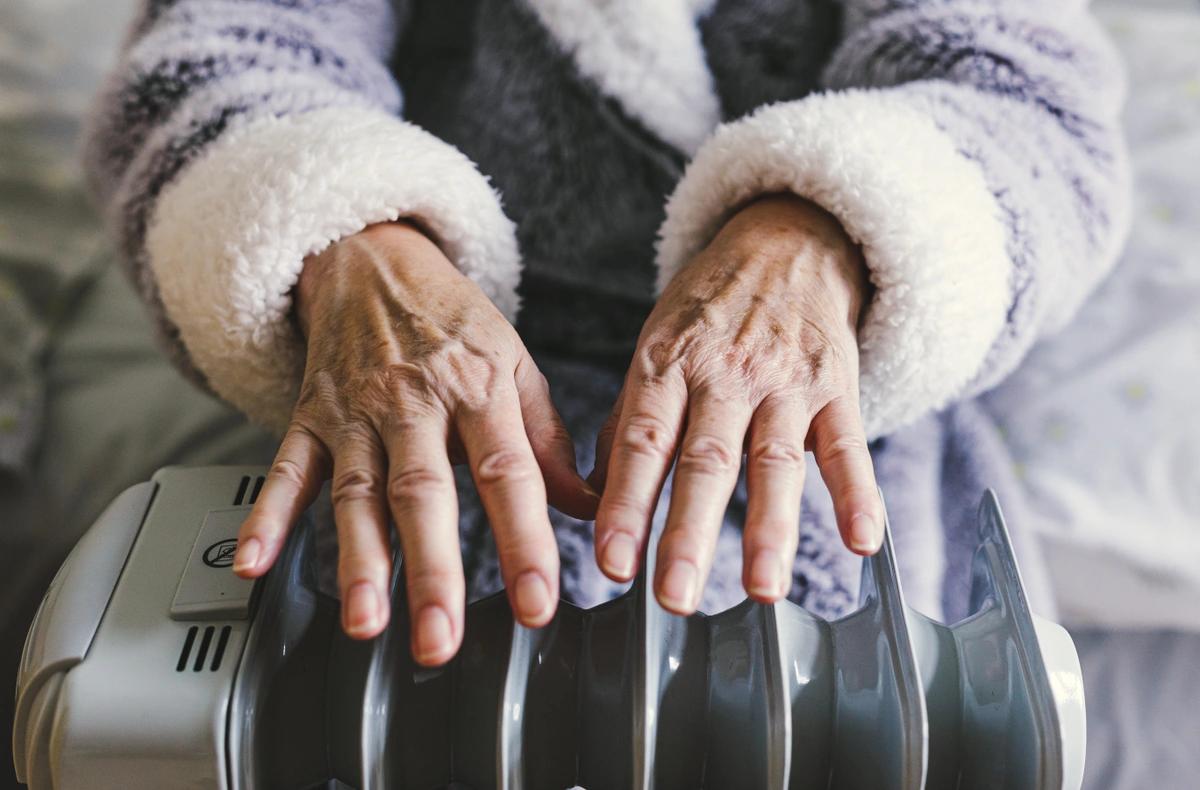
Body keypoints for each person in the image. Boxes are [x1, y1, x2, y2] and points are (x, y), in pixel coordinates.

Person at [84, 0, 1130, 668]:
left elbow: (1025, 100)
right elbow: (213, 60)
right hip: (415, 404)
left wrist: (830, 228)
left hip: (834, 437)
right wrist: (349, 238)